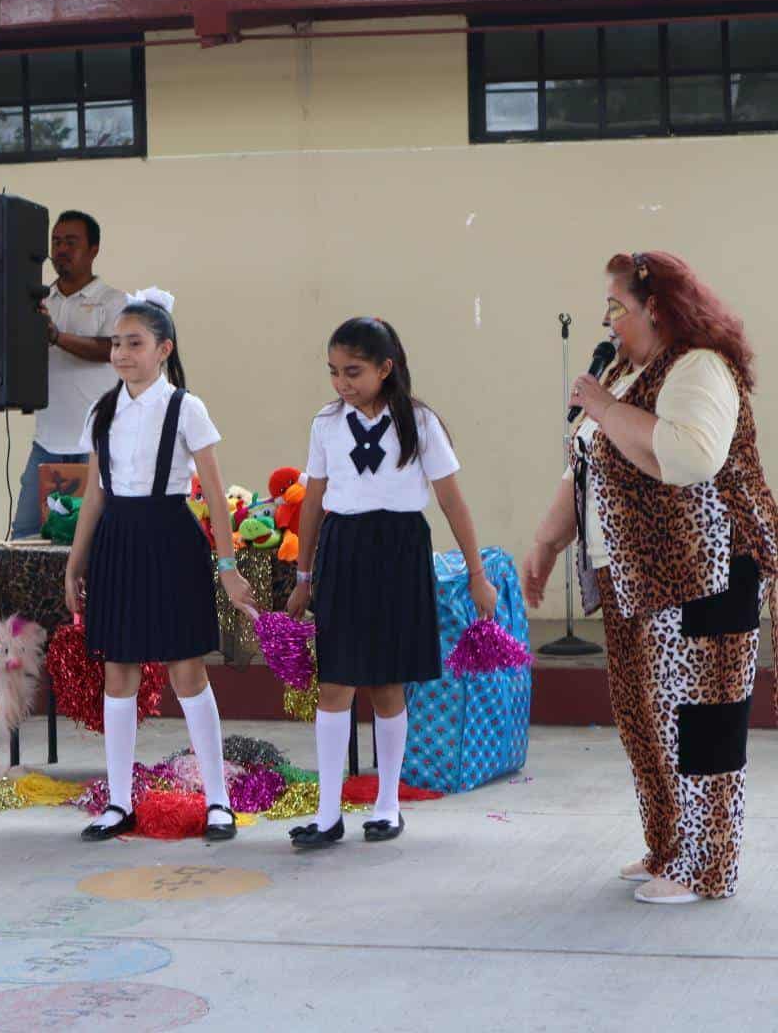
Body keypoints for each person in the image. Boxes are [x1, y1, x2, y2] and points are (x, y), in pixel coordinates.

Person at [524, 251, 778, 904]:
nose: (606, 320)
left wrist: (604, 406)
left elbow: (691, 455)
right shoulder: (628, 375)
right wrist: (547, 542)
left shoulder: (700, 368)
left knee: (701, 730)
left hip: (707, 579)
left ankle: (707, 866)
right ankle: (670, 848)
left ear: (659, 310)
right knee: (649, 724)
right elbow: (585, 465)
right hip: (635, 582)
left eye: (617, 306)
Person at [287, 317, 497, 849]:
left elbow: (452, 502)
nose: (341, 384)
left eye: (353, 372)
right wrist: (304, 575)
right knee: (335, 683)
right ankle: (328, 812)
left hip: (399, 550)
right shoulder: (326, 424)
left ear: (386, 368)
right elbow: (313, 500)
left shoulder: (420, 424)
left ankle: (387, 804)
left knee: (385, 684)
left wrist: (478, 575)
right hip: (343, 550)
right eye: (333, 372)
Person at [65, 287, 256, 842]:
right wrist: (77, 561)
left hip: (171, 540)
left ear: (164, 349)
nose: (122, 353)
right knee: (118, 670)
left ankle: (217, 800)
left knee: (186, 669)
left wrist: (226, 564)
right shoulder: (103, 409)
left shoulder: (185, 407)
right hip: (117, 543)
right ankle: (119, 801)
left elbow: (215, 494)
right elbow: (95, 493)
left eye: (135, 343)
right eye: (116, 344)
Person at [11, 210, 125, 540]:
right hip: (47, 441)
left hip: (96, 443)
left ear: (93, 250)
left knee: (95, 538)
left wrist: (56, 336)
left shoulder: (114, 302)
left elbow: (111, 350)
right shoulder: (39, 300)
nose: (61, 249)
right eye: (56, 242)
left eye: (71, 242)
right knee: (26, 535)